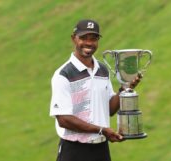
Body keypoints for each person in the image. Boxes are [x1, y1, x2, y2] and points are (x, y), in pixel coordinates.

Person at [50, 19, 141, 161]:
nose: (89, 43)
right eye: (83, 38)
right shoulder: (63, 74)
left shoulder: (103, 70)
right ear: (74, 39)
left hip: (100, 150)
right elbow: (63, 119)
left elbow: (109, 109)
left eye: (93, 38)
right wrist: (101, 130)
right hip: (74, 150)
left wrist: (125, 88)